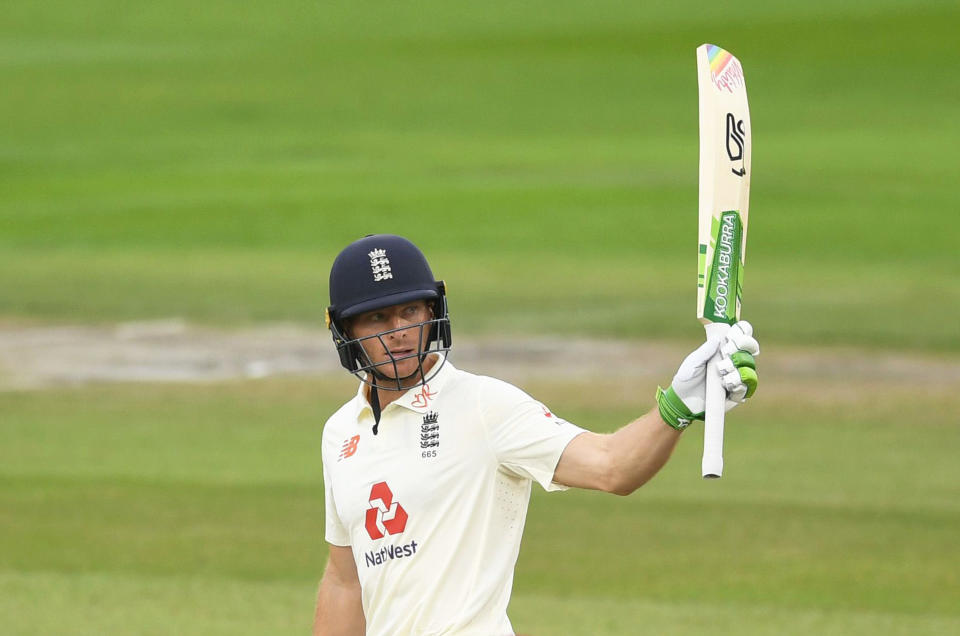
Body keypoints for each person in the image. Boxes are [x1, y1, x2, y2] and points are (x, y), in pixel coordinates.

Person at [313, 234, 759, 636]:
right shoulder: (339, 434)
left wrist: (677, 406)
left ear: (432, 311)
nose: (400, 333)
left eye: (410, 311)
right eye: (377, 319)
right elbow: (344, 579)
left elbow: (612, 467)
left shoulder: (485, 406)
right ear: (343, 328)